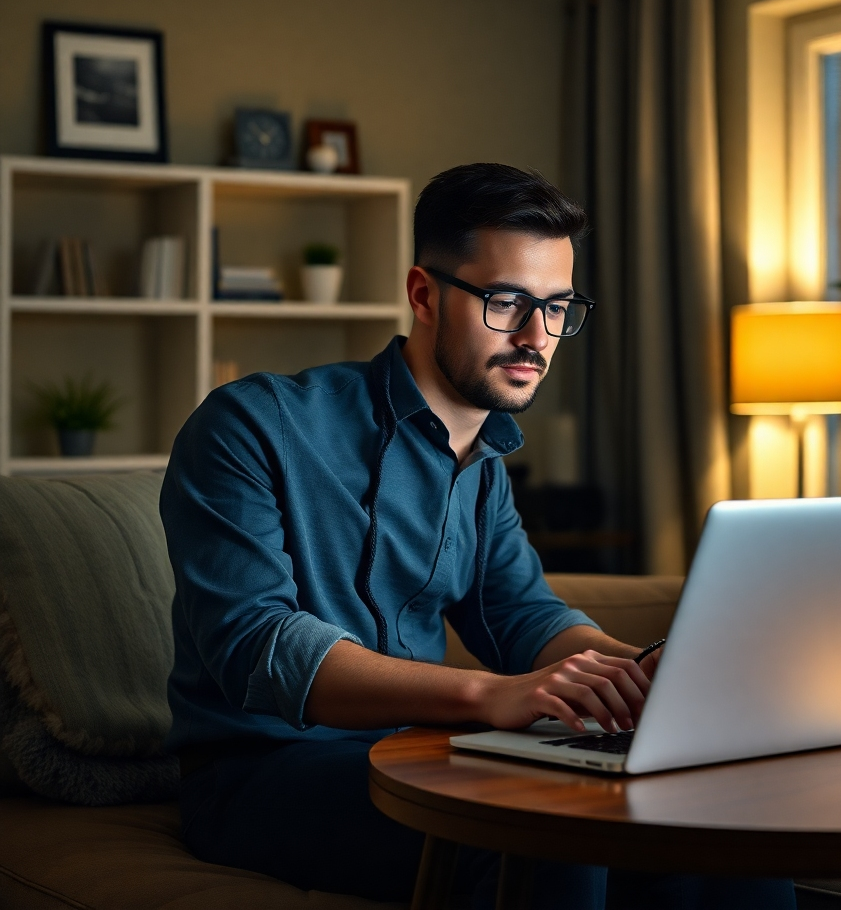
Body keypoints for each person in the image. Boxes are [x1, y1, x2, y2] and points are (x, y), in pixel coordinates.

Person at [161, 163, 796, 910]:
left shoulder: (485, 462)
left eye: (558, 308)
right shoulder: (251, 424)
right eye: (507, 303)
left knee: (715, 820)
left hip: (418, 754)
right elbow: (259, 645)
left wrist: (652, 673)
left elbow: (522, 615)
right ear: (424, 295)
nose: (538, 337)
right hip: (263, 773)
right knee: (552, 826)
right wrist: (494, 696)